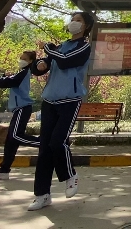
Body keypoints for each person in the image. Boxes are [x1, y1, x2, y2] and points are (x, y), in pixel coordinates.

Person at [27, 12, 94, 212]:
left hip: (70, 100)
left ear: (86, 26)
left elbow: (65, 61)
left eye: (79, 20)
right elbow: (46, 65)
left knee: (58, 141)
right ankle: (42, 194)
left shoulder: (83, 46)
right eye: (72, 19)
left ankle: (70, 175)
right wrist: (40, 64)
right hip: (49, 99)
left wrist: (48, 49)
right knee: (44, 148)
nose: (74, 23)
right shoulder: (61, 46)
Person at [0, 51, 41, 181]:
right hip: (19, 109)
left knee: (15, 136)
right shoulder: (21, 73)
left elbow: (6, 83)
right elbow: (10, 79)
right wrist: (2, 76)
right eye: (20, 57)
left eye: (24, 59)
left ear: (30, 62)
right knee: (10, 141)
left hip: (23, 108)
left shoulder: (23, 73)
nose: (21, 60)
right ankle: (3, 170)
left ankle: (45, 143)